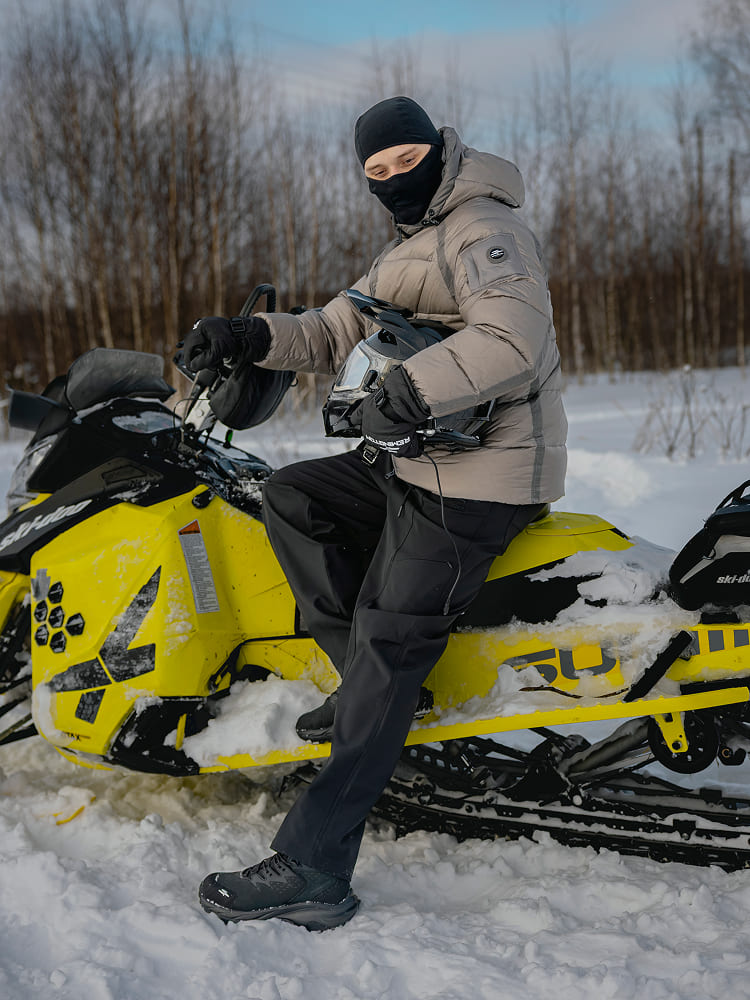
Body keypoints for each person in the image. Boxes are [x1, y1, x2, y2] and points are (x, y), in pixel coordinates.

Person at [182, 96, 567, 930]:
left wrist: (410, 391)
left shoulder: (481, 228)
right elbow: (331, 331)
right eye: (377, 171)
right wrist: (247, 337)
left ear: (439, 151)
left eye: (406, 161)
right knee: (295, 496)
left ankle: (316, 867)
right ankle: (371, 686)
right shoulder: (410, 244)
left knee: (393, 638)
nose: (394, 178)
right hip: (419, 454)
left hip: (482, 476)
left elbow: (514, 340)